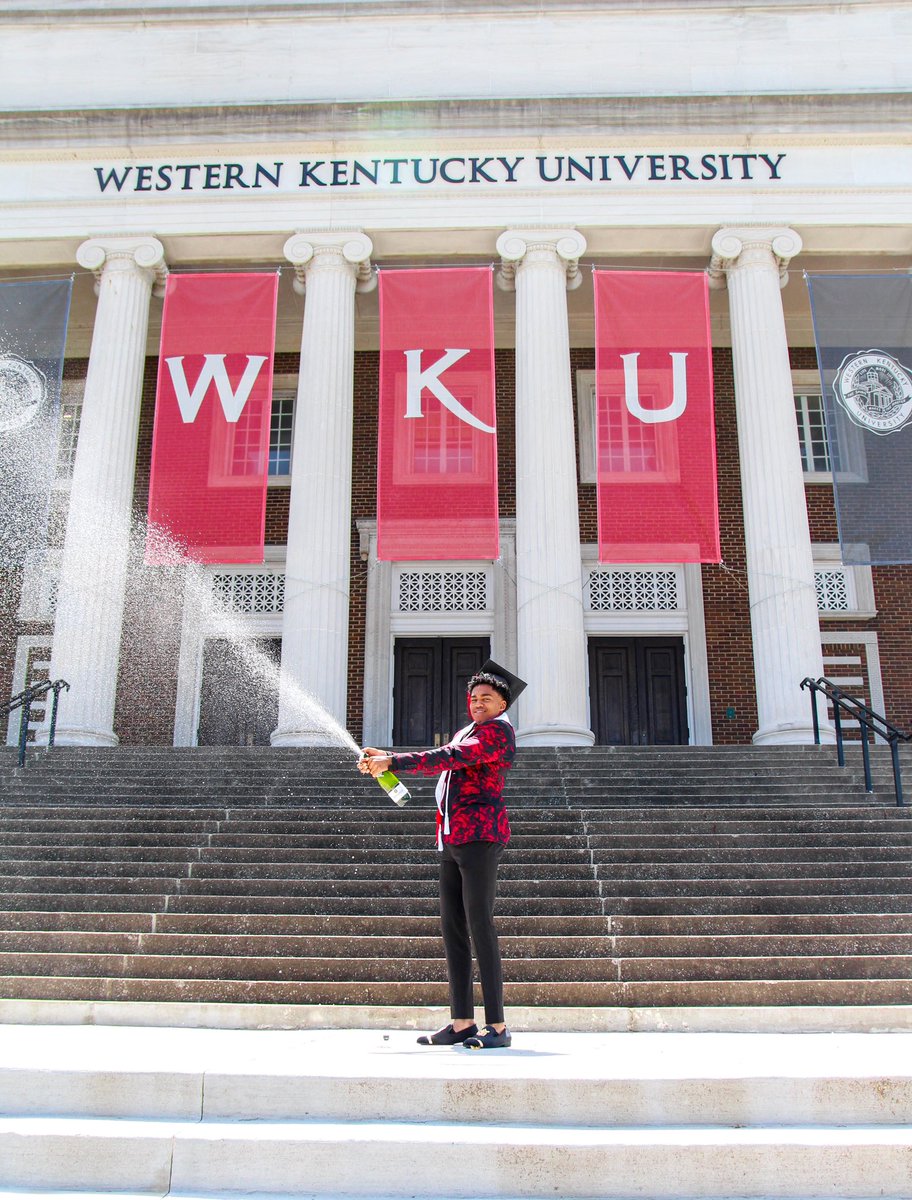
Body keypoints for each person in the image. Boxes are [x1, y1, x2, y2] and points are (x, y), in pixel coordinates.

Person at [359, 661, 524, 1049]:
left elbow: (451, 756)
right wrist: (385, 762)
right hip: (452, 838)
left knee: (480, 925)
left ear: (503, 705)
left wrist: (394, 760)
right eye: (474, 698)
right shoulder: (469, 730)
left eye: (487, 698)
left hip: (481, 836)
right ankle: (462, 1021)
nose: (478, 703)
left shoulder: (498, 733)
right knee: (453, 929)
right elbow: (450, 758)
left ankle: (498, 1027)